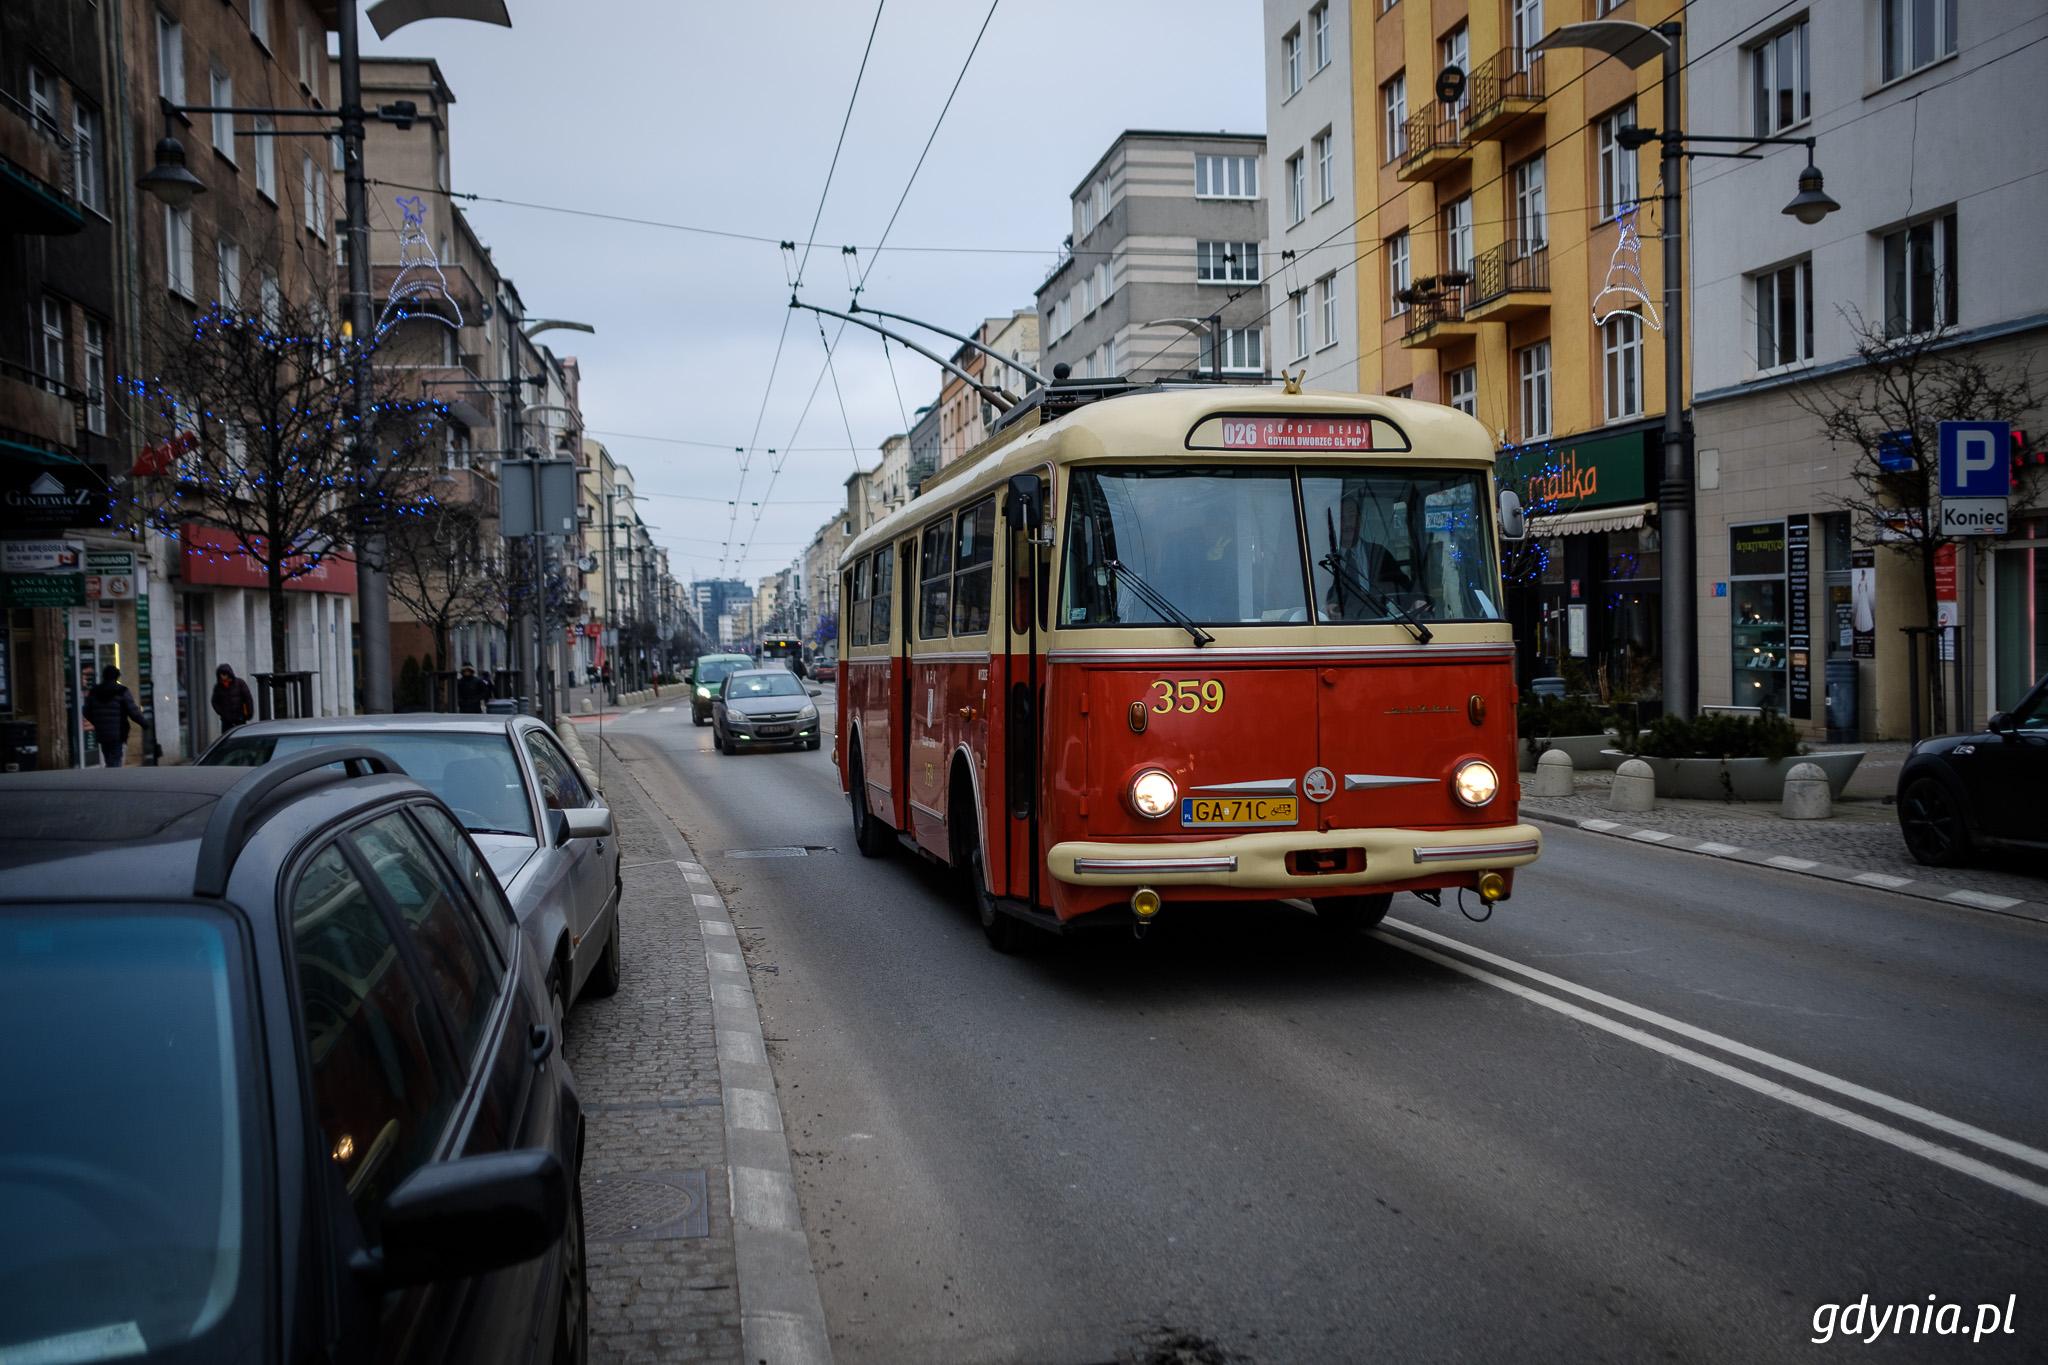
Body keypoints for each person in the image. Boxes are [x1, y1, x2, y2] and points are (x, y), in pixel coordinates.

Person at [81, 665, 146, 768]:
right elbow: (133, 712)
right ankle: (114, 780)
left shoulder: (94, 691)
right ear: (117, 677)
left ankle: (110, 777)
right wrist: (144, 724)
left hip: (102, 731)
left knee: (108, 757)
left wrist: (97, 722)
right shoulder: (122, 691)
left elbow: (86, 711)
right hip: (118, 732)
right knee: (116, 759)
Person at [211, 664, 255, 735]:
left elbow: (248, 699)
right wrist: (222, 713)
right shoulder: (218, 687)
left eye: (224, 674)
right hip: (226, 720)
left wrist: (249, 714)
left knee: (240, 737)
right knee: (227, 738)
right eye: (221, 674)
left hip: (240, 718)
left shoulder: (240, 683)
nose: (223, 676)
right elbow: (214, 702)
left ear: (229, 674)